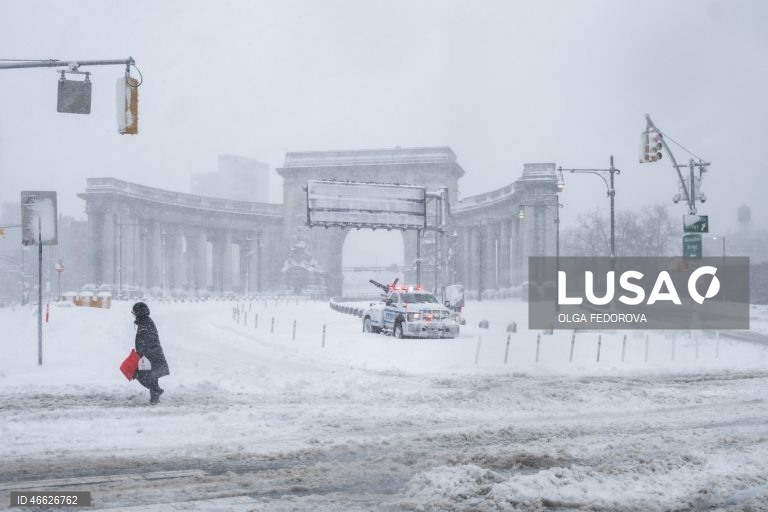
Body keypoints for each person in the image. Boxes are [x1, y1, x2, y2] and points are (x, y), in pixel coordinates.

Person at [131, 302, 170, 404]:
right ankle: (155, 396)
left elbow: (147, 340)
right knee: (151, 376)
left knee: (141, 375)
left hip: (150, 354)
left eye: (134, 312)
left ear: (138, 312)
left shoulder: (145, 323)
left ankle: (156, 392)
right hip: (152, 354)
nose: (133, 314)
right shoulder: (144, 321)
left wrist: (142, 353)